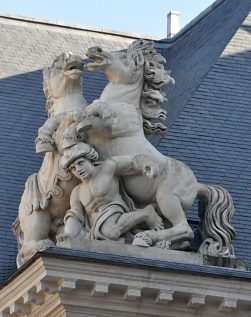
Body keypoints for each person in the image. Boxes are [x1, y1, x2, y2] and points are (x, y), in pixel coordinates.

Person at [57, 142, 164, 242]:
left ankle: (146, 213)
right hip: (94, 227)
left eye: (80, 163)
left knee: (110, 232)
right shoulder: (77, 191)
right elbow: (75, 215)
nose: (78, 169)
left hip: (113, 210)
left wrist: (147, 163)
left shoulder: (107, 168)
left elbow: (132, 162)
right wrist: (69, 233)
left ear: (90, 159)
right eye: (73, 168)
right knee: (95, 235)